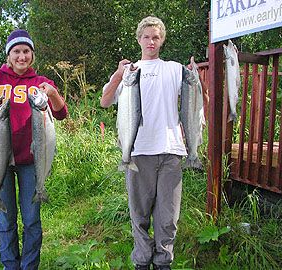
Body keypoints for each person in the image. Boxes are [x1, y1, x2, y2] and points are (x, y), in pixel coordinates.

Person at [0, 29, 68, 269]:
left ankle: (29, 266)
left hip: (31, 160)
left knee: (31, 220)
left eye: (26, 51)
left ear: (32, 55)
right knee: (6, 220)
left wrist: (53, 93)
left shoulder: (41, 84)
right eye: (16, 51)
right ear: (9, 55)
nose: (21, 56)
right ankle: (10, 265)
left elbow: (61, 113)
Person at [100, 16, 188, 270]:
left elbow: (194, 98)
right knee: (139, 214)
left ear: (162, 40)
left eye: (156, 37)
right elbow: (105, 101)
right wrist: (118, 74)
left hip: (171, 151)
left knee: (168, 216)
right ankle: (141, 260)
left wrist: (194, 79)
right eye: (147, 36)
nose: (151, 41)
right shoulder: (130, 72)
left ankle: (163, 262)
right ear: (139, 39)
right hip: (138, 152)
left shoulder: (174, 68)